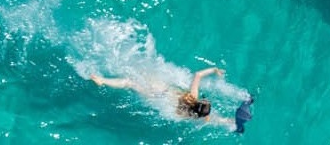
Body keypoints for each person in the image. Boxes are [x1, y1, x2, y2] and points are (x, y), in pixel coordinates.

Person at [89, 65, 229, 125]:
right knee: (130, 83)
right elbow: (215, 119)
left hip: (162, 88)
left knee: (135, 74)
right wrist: (232, 122)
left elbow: (198, 74)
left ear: (200, 102)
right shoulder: (189, 116)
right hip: (155, 98)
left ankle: (103, 79)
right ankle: (103, 81)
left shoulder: (192, 95)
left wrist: (215, 69)